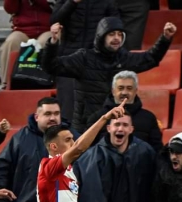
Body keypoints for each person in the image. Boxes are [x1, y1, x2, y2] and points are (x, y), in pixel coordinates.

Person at [42, 17, 175, 133]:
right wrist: (53, 42)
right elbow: (51, 66)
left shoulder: (125, 58)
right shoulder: (84, 58)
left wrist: (165, 39)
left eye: (119, 34)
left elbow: (150, 58)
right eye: (112, 34)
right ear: (101, 36)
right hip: (86, 127)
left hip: (116, 127)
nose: (117, 38)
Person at [0, 97, 78, 202]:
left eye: (56, 113)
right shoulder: (19, 140)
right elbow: (0, 172)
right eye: (47, 114)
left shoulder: (74, 139)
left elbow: (84, 175)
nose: (53, 118)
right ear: (36, 117)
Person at [73, 112, 156, 202]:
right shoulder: (91, 157)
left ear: (131, 129)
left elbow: (155, 185)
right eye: (116, 124)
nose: (120, 128)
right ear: (109, 128)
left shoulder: (145, 152)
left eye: (125, 125)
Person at [49, 0, 118, 121]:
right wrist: (72, 2)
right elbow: (55, 20)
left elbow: (115, 24)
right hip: (68, 58)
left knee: (95, 110)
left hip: (96, 60)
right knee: (67, 108)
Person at [86, 70, 162, 152]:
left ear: (135, 91)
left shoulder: (149, 118)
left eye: (129, 88)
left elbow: (157, 151)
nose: (125, 92)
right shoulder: (97, 118)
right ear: (113, 91)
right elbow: (87, 150)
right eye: (120, 88)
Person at [0, 0, 53, 89]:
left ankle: (44, 82)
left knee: (45, 43)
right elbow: (10, 9)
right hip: (23, 29)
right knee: (11, 42)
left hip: (48, 28)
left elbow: (55, 7)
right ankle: (7, 84)